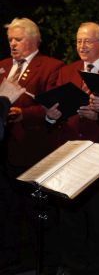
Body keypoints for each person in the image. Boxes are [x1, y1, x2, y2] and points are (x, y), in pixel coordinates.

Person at [45, 22, 99, 274]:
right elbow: (56, 107)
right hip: (70, 149)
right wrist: (51, 116)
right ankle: (72, 264)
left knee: (98, 213)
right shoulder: (66, 70)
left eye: (88, 41)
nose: (82, 46)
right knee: (70, 212)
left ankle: (98, 265)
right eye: (78, 41)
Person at [0, 18, 63, 272]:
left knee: (39, 213)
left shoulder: (51, 66)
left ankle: (47, 263)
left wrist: (24, 114)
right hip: (4, 152)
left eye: (18, 39)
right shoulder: (3, 66)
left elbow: (54, 106)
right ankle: (11, 260)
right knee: (7, 211)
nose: (12, 44)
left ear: (34, 40)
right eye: (10, 40)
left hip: (34, 151)